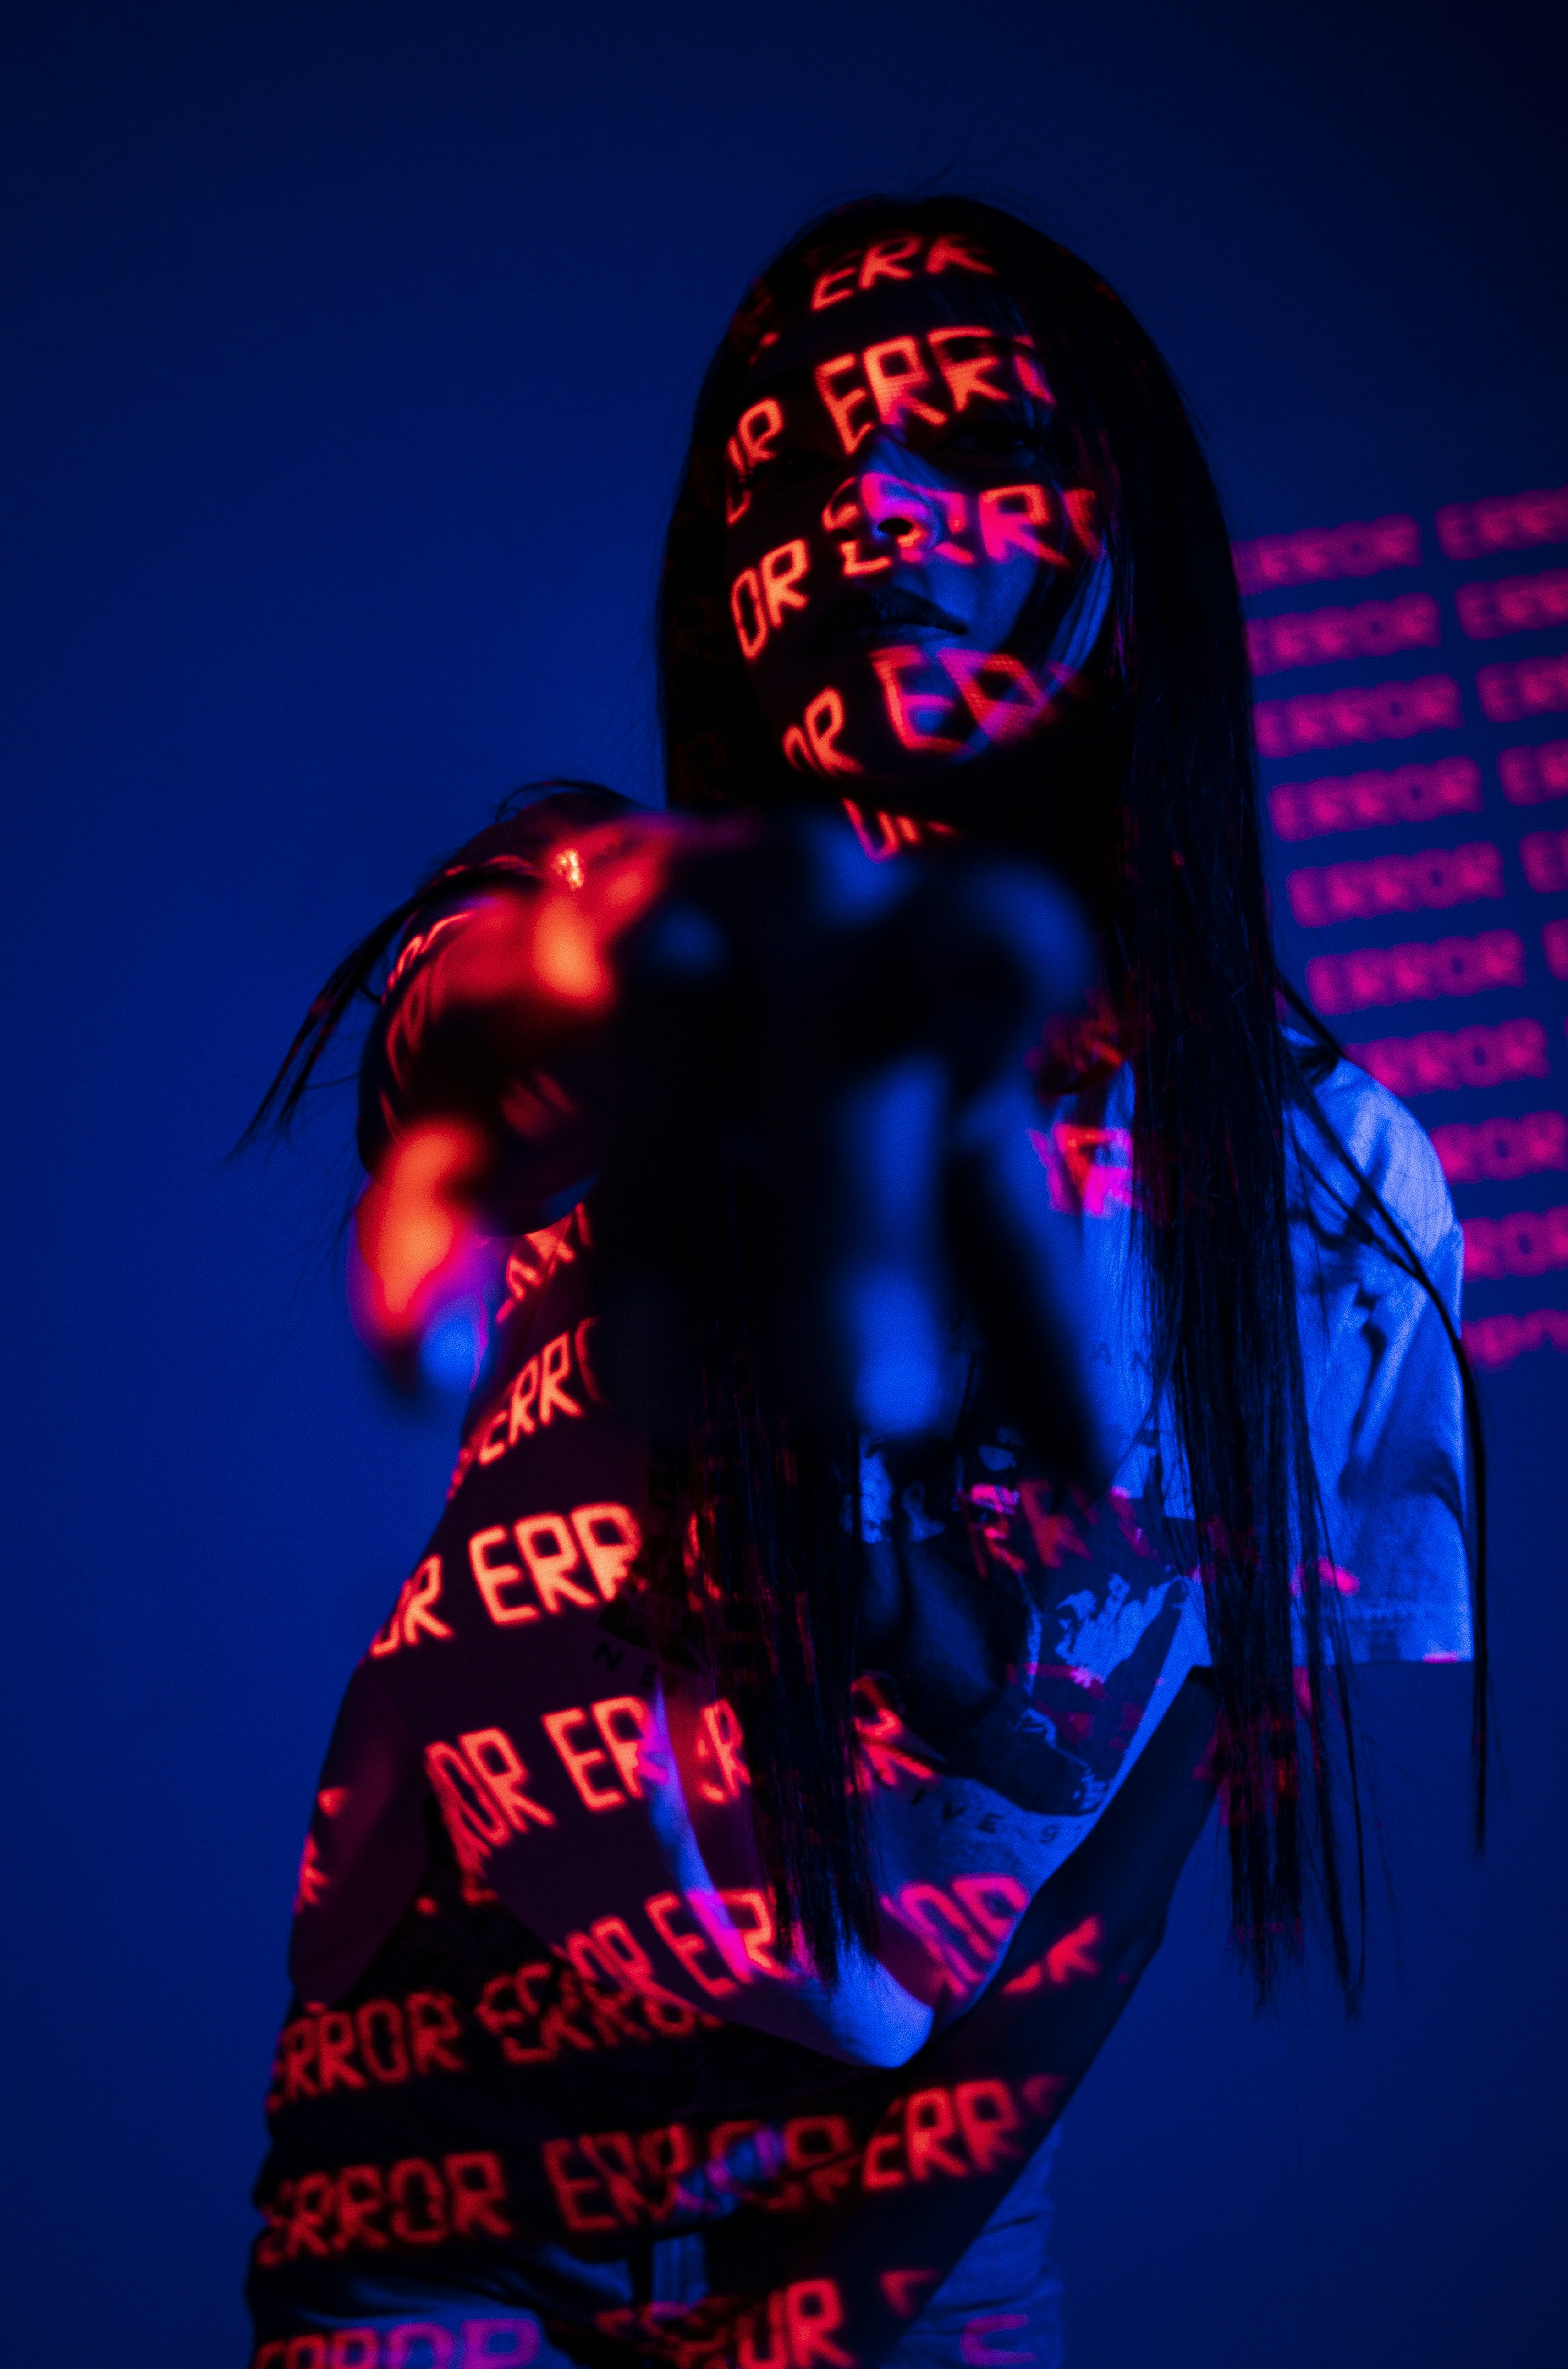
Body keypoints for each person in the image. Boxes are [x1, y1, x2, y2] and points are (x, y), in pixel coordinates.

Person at [242, 196, 1485, 2369]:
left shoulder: (1338, 1187)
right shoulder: (620, 912)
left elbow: (1152, 1819)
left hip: (912, 2228)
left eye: (950, 434)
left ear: (1121, 528)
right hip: (436, 2168)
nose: (856, 520)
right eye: (779, 484)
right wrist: (603, 979)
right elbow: (482, 1023)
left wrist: (829, 2305)